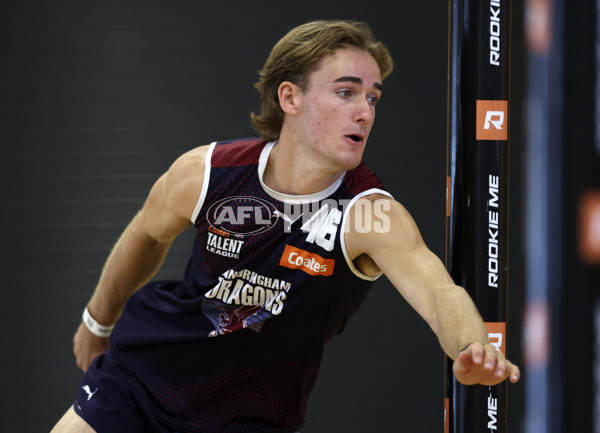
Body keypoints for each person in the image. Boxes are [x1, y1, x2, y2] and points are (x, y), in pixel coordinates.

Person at [51, 19, 520, 433]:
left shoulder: (369, 214)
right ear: (290, 97)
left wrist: (473, 347)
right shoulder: (206, 172)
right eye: (346, 92)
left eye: (373, 97)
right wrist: (97, 321)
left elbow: (441, 294)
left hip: (247, 417)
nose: (366, 112)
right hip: (139, 379)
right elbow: (146, 234)